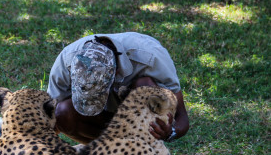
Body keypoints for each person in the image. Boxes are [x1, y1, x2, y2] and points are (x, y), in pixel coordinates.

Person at [47, 32, 189, 144]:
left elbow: (181, 117)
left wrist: (171, 132)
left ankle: (142, 153)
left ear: (115, 73)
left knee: (144, 85)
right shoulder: (65, 62)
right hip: (101, 123)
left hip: (138, 120)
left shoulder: (151, 58)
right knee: (61, 111)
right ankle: (108, 153)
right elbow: (49, 121)